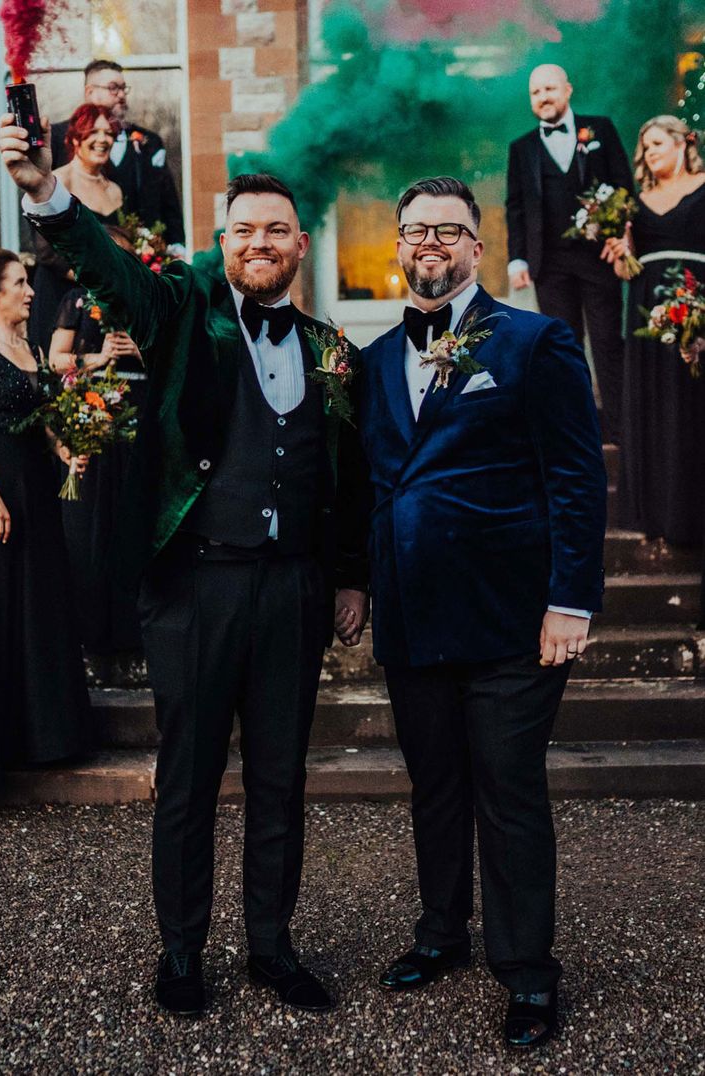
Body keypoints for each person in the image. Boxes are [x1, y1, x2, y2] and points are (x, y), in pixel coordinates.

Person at [0, 111, 370, 1016]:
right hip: (193, 587)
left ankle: (274, 951)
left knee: (283, 779)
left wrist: (350, 574)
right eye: (244, 228)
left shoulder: (331, 350)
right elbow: (115, 275)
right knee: (190, 780)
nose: (260, 241)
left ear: (299, 243)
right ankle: (181, 955)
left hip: (291, 591)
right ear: (223, 241)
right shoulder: (179, 316)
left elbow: (348, 475)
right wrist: (48, 196)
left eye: (276, 228)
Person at [350, 177, 606, 1048]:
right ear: (398, 245)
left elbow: (576, 479)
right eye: (414, 228)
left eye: (448, 230)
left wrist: (570, 600)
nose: (430, 242)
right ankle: (440, 934)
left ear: (477, 246)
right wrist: (357, 580)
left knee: (509, 793)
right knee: (436, 788)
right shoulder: (377, 358)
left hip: (513, 623)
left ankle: (528, 973)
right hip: (414, 618)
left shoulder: (535, 342)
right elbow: (368, 486)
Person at [0, 249, 90, 791]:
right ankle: (5, 741)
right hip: (0, 493)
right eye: (21, 283)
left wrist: (65, 453)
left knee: (40, 602)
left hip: (39, 493)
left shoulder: (27, 346)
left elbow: (44, 420)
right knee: (6, 607)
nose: (31, 292)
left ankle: (47, 736)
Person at [506, 63, 633, 444]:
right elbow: (515, 207)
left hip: (600, 257)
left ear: (567, 90)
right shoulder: (522, 147)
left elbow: (624, 186)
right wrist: (518, 258)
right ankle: (577, 431)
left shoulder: (600, 130)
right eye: (535, 92)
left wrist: (622, 237)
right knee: (564, 348)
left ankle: (621, 433)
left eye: (549, 89)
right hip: (550, 264)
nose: (543, 97)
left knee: (609, 343)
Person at [601, 117, 705, 554]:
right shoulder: (636, 202)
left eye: (657, 143)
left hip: (695, 297)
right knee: (656, 404)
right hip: (646, 308)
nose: (649, 153)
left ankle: (692, 515)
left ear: (684, 143)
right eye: (644, 148)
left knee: (691, 403)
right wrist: (621, 254)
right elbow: (627, 271)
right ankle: (659, 516)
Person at [49, 225, 147, 656]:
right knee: (89, 534)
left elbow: (180, 356)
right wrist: (100, 358)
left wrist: (141, 350)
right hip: (91, 428)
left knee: (135, 532)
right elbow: (56, 362)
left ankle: (136, 639)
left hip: (140, 430)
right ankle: (93, 640)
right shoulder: (76, 301)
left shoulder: (148, 302)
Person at [51, 59, 186, 253]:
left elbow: (168, 200)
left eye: (124, 89)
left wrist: (176, 247)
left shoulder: (150, 142)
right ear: (90, 92)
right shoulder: (58, 137)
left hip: (142, 256)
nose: (121, 95)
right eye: (113, 88)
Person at [29, 103, 122, 356]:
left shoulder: (116, 190)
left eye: (109, 133)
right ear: (74, 139)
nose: (103, 139)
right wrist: (93, 278)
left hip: (102, 300)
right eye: (93, 132)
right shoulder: (57, 182)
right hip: (59, 291)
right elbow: (46, 250)